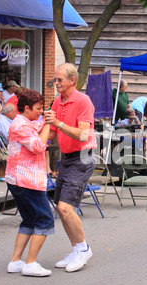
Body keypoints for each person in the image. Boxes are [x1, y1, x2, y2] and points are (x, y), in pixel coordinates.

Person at [44, 63, 96, 273]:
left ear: (72, 80)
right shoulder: (58, 101)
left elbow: (83, 134)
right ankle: (76, 249)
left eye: (59, 80)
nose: (56, 83)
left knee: (66, 208)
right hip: (66, 158)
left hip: (82, 158)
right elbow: (51, 132)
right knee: (60, 208)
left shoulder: (83, 101)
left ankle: (84, 249)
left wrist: (58, 123)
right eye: (55, 80)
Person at [5, 89, 54, 277]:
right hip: (26, 180)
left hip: (20, 180)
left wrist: (45, 121)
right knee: (44, 220)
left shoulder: (25, 122)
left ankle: (16, 261)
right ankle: (30, 263)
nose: (40, 112)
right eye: (38, 109)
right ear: (26, 108)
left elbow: (38, 127)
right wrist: (49, 123)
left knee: (29, 220)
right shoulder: (20, 125)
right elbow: (38, 146)